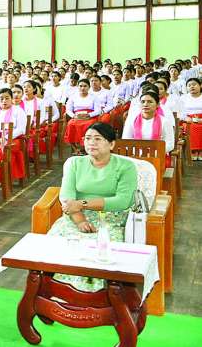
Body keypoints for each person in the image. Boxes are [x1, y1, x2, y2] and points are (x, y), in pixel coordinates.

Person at [49, 123, 140, 292]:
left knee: (100, 254)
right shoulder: (74, 163)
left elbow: (123, 201)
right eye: (88, 138)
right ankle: (54, 294)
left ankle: (91, 298)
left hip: (110, 219)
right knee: (54, 247)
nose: (91, 143)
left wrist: (82, 203)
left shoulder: (126, 167)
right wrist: (80, 221)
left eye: (98, 139)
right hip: (75, 217)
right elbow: (67, 198)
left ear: (111, 144)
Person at [123, 91, 175, 163]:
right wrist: (140, 153)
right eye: (143, 102)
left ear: (157, 104)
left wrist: (153, 153)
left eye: (150, 102)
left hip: (158, 156)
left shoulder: (165, 121)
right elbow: (126, 141)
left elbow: (170, 144)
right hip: (136, 156)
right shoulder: (131, 120)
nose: (145, 104)